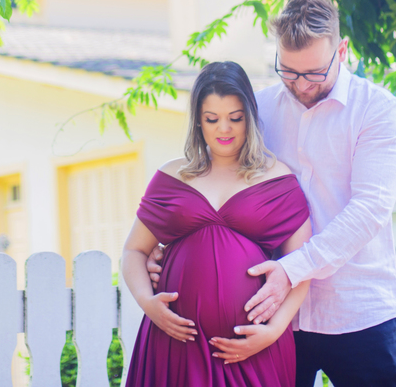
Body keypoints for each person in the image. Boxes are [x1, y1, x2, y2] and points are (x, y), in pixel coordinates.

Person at [147, 0, 396, 387]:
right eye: (288, 71)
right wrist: (169, 244)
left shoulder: (376, 110)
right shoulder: (259, 110)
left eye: (314, 73)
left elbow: (368, 210)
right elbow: (217, 180)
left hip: (357, 312)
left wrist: (291, 269)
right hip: (271, 319)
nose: (301, 85)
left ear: (341, 51)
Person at [121, 61, 313, 387]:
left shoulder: (278, 179)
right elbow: (133, 251)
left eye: (235, 118)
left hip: (253, 348)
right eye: (212, 119)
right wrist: (147, 303)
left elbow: (302, 267)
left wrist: (272, 331)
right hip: (176, 344)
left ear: (250, 117)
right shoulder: (171, 177)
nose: (224, 129)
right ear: (198, 121)